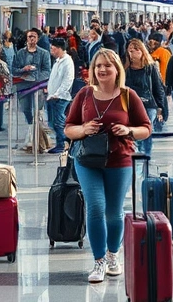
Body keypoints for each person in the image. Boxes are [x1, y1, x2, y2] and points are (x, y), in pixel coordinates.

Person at [64, 49, 151, 283]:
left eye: (107, 66)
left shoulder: (127, 95)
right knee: (95, 207)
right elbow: (68, 127)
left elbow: (146, 128)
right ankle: (99, 260)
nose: (102, 70)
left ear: (116, 70)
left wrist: (129, 130)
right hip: (87, 160)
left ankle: (114, 254)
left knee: (113, 212)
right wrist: (83, 130)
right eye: (98, 66)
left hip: (119, 160)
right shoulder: (84, 94)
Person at [124, 39, 165, 157]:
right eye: (130, 51)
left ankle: (146, 157)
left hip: (149, 105)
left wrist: (160, 108)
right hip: (131, 106)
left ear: (142, 51)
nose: (132, 53)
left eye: (135, 50)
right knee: (135, 133)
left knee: (146, 132)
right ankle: (137, 159)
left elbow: (158, 88)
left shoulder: (150, 68)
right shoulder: (126, 69)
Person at [12, 28, 51, 128]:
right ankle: (31, 126)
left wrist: (36, 78)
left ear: (37, 39)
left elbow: (47, 71)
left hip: (38, 85)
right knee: (25, 108)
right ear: (26, 38)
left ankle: (37, 130)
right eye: (30, 36)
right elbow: (13, 69)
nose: (32, 39)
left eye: (34, 36)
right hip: (23, 85)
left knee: (38, 109)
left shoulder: (44, 53)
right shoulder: (20, 53)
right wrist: (23, 70)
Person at [46, 38, 75, 154]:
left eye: (53, 48)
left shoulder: (67, 62)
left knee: (58, 121)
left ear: (59, 49)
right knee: (52, 122)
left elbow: (68, 80)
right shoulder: (58, 61)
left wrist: (58, 94)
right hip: (52, 96)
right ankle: (63, 141)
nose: (51, 51)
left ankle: (62, 143)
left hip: (60, 97)